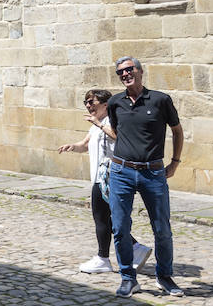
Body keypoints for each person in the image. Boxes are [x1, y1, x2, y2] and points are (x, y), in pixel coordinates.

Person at [106, 56, 185, 298]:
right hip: (121, 171)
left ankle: (164, 276)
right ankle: (128, 278)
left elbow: (177, 131)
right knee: (120, 228)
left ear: (140, 71)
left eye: (130, 70)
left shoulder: (160, 100)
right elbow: (118, 132)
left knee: (162, 228)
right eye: (121, 72)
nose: (125, 74)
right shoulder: (115, 102)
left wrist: (174, 162)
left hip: (153, 172)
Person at [58, 89, 151, 274]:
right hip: (99, 177)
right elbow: (84, 145)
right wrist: (72, 147)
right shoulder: (95, 125)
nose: (88, 105)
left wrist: (100, 124)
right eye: (86, 102)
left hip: (110, 176)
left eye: (92, 102)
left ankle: (106, 257)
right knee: (107, 218)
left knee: (103, 218)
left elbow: (121, 139)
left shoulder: (113, 120)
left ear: (106, 104)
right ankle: (133, 249)